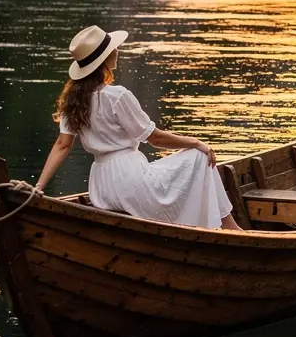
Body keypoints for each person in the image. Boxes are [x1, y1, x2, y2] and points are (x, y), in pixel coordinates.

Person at [35, 25, 242, 230]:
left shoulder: (72, 101)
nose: (117, 50)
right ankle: (230, 227)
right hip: (131, 181)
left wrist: (39, 188)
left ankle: (225, 226)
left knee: (188, 161)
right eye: (113, 48)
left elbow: (62, 145)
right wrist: (197, 142)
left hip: (102, 187)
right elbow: (155, 139)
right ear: (105, 59)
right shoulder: (116, 96)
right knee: (200, 157)